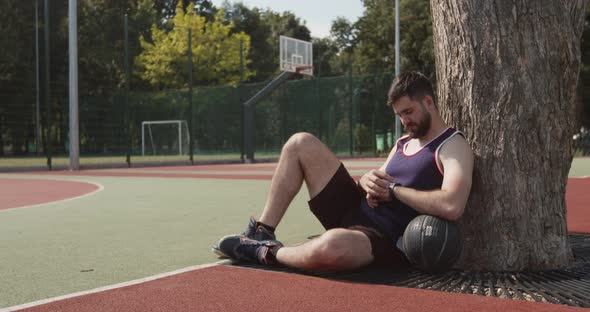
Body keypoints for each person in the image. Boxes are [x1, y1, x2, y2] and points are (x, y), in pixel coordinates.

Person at [215, 71, 474, 271]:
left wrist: (395, 192)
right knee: (300, 143)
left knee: (331, 246)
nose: (404, 121)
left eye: (408, 112)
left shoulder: (452, 145)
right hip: (355, 208)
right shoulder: (402, 143)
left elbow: (452, 205)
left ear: (428, 102)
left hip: (381, 238)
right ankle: (262, 231)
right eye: (399, 115)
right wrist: (369, 182)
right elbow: (375, 183)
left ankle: (265, 251)